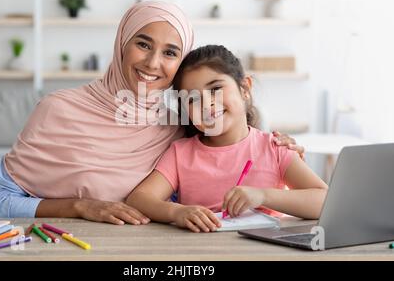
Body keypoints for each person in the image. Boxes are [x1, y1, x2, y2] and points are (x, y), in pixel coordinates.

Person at [0, 1, 304, 225]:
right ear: (122, 43)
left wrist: (281, 145)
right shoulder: (57, 109)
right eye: (143, 44)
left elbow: (233, 150)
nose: (153, 63)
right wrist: (80, 207)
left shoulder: (178, 125)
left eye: (170, 53)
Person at [126, 45, 328, 232]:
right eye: (193, 99)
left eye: (215, 89)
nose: (207, 105)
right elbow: (139, 199)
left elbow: (326, 201)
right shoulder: (181, 153)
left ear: (245, 89)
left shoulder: (274, 147)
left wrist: (263, 196)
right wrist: (177, 212)